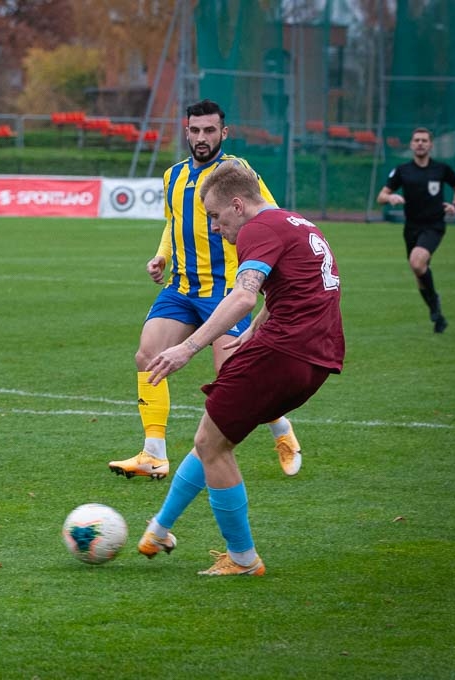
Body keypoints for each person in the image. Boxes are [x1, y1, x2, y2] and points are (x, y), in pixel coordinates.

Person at [136, 160, 345, 575]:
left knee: (212, 445)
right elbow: (296, 286)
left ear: (236, 205)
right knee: (213, 435)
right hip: (318, 357)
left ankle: (243, 558)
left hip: (283, 353)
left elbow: (244, 296)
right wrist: (252, 334)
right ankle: (159, 530)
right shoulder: (295, 221)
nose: (214, 227)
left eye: (214, 216)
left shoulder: (256, 230)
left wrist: (189, 347)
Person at [109, 99, 304, 481]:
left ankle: (281, 429)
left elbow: (269, 214)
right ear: (186, 132)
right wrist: (161, 256)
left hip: (225, 290)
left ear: (223, 133)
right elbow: (173, 221)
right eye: (195, 130)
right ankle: (153, 454)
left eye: (210, 130)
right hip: (181, 287)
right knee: (148, 354)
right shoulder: (173, 176)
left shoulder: (237, 173)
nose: (202, 138)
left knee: (233, 376)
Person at [376, 127, 455, 333]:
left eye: (424, 140)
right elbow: (381, 196)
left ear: (431, 144)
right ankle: (438, 315)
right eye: (416, 140)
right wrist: (390, 197)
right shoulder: (402, 170)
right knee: (420, 274)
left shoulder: (441, 169)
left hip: (434, 226)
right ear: (411, 144)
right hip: (411, 228)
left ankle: (434, 302)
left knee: (417, 263)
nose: (420, 143)